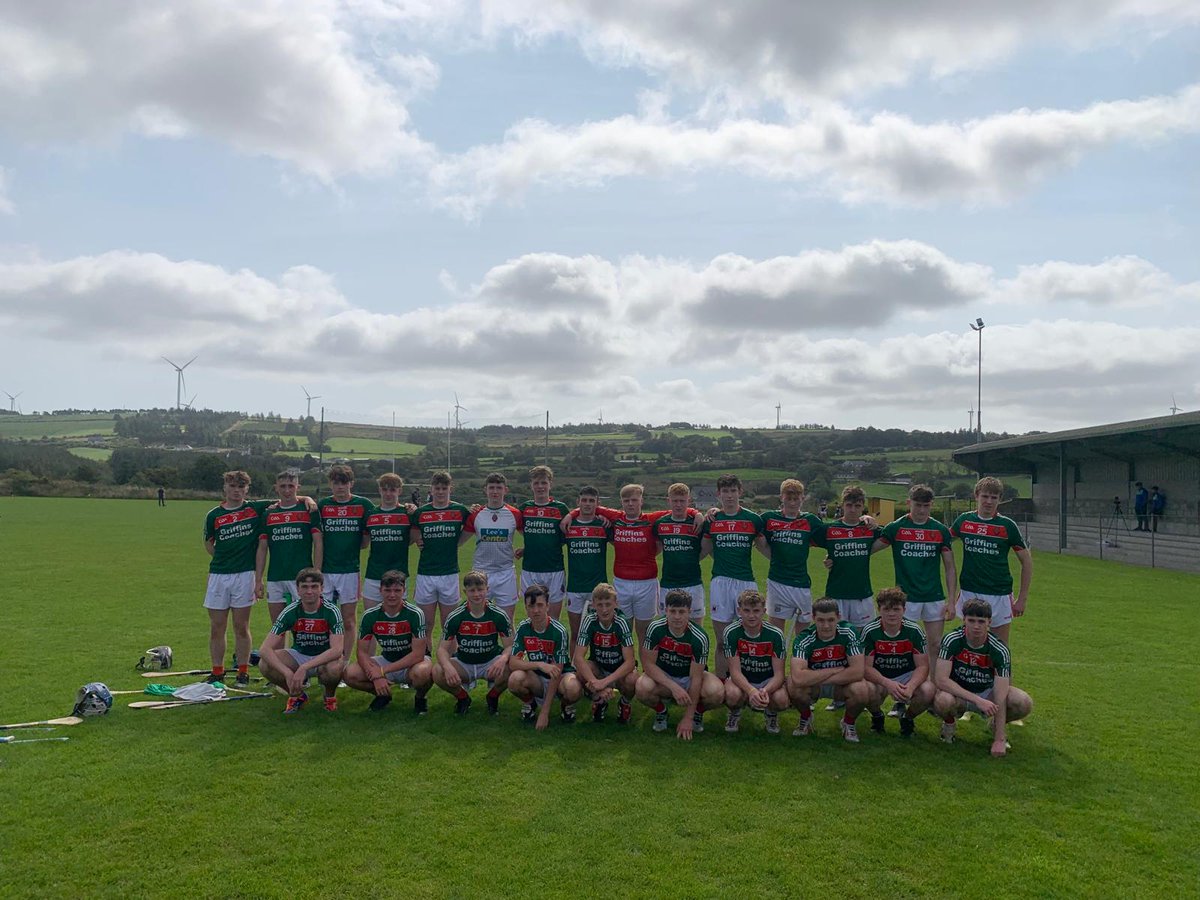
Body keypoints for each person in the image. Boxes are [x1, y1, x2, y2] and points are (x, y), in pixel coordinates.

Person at [582, 484, 701, 645]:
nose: (630, 504)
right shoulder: (617, 518)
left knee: (644, 632)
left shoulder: (651, 519)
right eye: (626, 500)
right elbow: (592, 508)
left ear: (641, 501)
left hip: (647, 584)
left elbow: (678, 510)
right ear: (621, 502)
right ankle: (626, 667)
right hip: (621, 583)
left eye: (634, 500)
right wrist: (571, 515)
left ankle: (646, 669)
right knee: (622, 629)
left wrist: (696, 513)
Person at [876, 483, 957, 683]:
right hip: (905, 599)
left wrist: (952, 601)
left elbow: (950, 567)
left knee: (935, 645)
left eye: (926, 506)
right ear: (908, 502)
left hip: (933, 597)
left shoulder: (940, 531)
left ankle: (932, 691)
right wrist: (836, 556)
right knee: (905, 646)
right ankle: (903, 693)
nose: (921, 510)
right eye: (917, 505)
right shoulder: (895, 528)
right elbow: (866, 549)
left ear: (931, 505)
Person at [933, 598, 1033, 757]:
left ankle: (996, 727)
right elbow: (941, 680)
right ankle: (949, 723)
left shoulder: (999, 649)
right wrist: (977, 700)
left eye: (981, 621)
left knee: (1022, 702)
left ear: (989, 622)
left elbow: (1001, 693)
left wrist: (1000, 739)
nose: (976, 626)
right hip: (959, 693)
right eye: (971, 620)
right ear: (964, 619)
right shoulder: (952, 639)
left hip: (988, 694)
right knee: (943, 700)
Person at [202, 470, 273, 686]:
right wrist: (226, 558)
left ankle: (243, 671)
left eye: (241, 487)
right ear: (225, 488)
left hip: (244, 576)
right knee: (217, 626)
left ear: (247, 489)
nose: (236, 491)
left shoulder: (254, 508)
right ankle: (217, 671)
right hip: (218, 576)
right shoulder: (214, 515)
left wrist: (307, 498)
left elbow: (288, 499)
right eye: (232, 486)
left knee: (241, 626)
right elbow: (209, 544)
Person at [950, 476, 1032, 645]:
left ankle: (999, 673)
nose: (989, 501)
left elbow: (1026, 561)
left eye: (994, 497)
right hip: (970, 591)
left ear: (1000, 500)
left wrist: (1022, 598)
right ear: (976, 496)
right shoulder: (964, 521)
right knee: (969, 644)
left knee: (999, 646)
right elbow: (941, 541)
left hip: (999, 592)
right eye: (985, 496)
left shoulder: (1007, 526)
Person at [702, 474, 767, 680]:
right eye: (725, 491)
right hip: (720, 582)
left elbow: (767, 549)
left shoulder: (753, 519)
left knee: (748, 639)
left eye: (733, 491)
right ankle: (720, 685)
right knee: (722, 641)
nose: (729, 496)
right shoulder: (712, 520)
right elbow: (703, 552)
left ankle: (749, 684)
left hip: (745, 583)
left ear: (740, 492)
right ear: (718, 494)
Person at [635, 589, 724, 740]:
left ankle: (696, 713)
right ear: (666, 610)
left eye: (681, 611)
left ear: (689, 612)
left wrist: (687, 718)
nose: (677, 617)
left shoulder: (699, 637)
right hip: (664, 676)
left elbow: (696, 678)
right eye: (673, 611)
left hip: (689, 677)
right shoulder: (655, 628)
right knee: (642, 688)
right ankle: (662, 711)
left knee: (716, 693)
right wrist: (673, 687)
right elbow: (648, 664)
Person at [257, 568, 345, 713]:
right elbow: (264, 649)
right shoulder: (290, 611)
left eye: (314, 587)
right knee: (265, 664)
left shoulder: (331, 611)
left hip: (324, 657)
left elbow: (336, 650)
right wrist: (287, 672)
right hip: (299, 655)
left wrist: (304, 668)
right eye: (304, 587)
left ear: (322, 589)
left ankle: (329, 697)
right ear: (297, 590)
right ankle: (297, 695)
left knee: (334, 667)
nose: (309, 591)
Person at [343, 570, 432, 713]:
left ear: (404, 591)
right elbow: (361, 652)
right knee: (350, 674)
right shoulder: (370, 615)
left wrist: (382, 671)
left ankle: (420, 698)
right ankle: (383, 695)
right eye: (388, 590)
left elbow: (418, 654)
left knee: (422, 673)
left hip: (412, 662)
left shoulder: (415, 613)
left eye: (397, 590)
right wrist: (376, 675)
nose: (392, 595)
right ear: (380, 590)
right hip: (387, 658)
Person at [787, 598, 870, 742]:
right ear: (813, 618)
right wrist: (832, 671)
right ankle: (806, 718)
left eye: (831, 620)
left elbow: (857, 671)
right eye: (820, 620)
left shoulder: (849, 632)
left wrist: (818, 677)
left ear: (838, 617)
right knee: (793, 686)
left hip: (839, 684)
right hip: (816, 685)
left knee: (861, 690)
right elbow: (798, 678)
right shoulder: (804, 638)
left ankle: (848, 722)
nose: (826, 625)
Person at [432, 571, 513, 715]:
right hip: (465, 663)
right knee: (438, 671)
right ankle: (463, 698)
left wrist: (502, 660)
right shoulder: (456, 616)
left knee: (513, 666)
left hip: (490, 662)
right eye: (472, 590)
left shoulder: (499, 615)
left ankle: (493, 696)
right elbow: (442, 650)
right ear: (465, 592)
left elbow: (510, 646)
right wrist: (448, 667)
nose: (476, 594)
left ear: (487, 590)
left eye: (480, 589)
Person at [317, 465, 373, 662]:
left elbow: (367, 539)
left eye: (344, 483)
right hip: (325, 572)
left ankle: (344, 663)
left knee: (348, 620)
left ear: (351, 484)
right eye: (335, 483)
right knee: (324, 620)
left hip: (349, 571)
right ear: (330, 484)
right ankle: (325, 662)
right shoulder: (322, 505)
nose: (340, 487)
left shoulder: (363, 505)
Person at [860, 587, 934, 736]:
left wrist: (911, 686)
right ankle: (877, 715)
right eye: (886, 609)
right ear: (878, 609)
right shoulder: (870, 631)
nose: (891, 613)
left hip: (906, 674)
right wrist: (887, 683)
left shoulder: (914, 631)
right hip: (879, 675)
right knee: (864, 690)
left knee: (928, 691)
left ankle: (907, 718)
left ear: (904, 609)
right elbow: (866, 668)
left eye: (896, 609)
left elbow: (923, 666)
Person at [256, 469, 323, 626]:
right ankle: (280, 652)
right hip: (275, 577)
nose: (287, 490)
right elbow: (262, 548)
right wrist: (258, 579)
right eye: (283, 486)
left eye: (291, 486)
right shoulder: (268, 514)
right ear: (276, 488)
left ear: (297, 487)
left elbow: (318, 543)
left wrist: (317, 573)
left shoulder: (309, 511)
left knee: (304, 627)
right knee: (278, 627)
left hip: (302, 578)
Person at [760, 478, 825, 640]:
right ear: (782, 497)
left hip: (801, 584)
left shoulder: (810, 521)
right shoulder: (769, 518)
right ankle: (777, 666)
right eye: (789, 498)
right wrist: (712, 512)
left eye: (796, 499)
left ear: (802, 498)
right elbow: (748, 525)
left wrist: (866, 519)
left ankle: (799, 665)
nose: (793, 503)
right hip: (777, 582)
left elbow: (832, 539)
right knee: (775, 636)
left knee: (803, 637)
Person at [410, 471, 472, 642]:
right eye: (437, 488)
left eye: (444, 488)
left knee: (449, 624)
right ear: (431, 489)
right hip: (426, 574)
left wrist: (458, 542)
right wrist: (417, 540)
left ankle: (449, 662)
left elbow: (472, 525)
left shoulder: (459, 510)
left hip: (449, 573)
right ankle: (427, 662)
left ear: (450, 489)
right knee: (426, 624)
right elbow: (413, 531)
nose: (440, 491)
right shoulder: (421, 512)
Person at [508, 584, 580, 729]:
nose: (536, 610)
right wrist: (539, 665)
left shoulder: (558, 631)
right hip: (538, 678)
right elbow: (513, 663)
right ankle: (530, 704)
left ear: (548, 606)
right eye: (531, 606)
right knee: (514, 680)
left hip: (560, 678)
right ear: (526, 608)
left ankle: (565, 705)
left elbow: (556, 672)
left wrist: (545, 713)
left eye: (540, 605)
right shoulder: (523, 628)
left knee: (573, 689)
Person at [816, 485, 882, 634]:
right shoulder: (830, 529)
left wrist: (870, 519)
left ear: (862, 507)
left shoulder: (870, 529)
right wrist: (828, 558)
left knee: (863, 639)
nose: (853, 509)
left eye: (857, 506)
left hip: (862, 595)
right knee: (836, 639)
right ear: (842, 505)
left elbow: (890, 537)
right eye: (849, 505)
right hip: (836, 594)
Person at [722, 590, 788, 735]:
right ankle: (735, 712)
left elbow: (779, 675)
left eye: (756, 611)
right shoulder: (731, 632)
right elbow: (735, 671)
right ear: (739, 611)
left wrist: (765, 691)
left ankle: (771, 713)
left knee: (781, 700)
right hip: (742, 678)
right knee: (732, 695)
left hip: (767, 680)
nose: (751, 616)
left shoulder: (776, 634)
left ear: (764, 611)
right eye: (746, 610)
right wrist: (751, 691)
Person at [573, 583, 637, 724]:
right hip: (599, 667)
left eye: (608, 604)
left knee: (632, 679)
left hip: (619, 670)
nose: (604, 609)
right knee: (581, 671)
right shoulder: (590, 620)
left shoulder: (621, 622)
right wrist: (596, 684)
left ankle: (625, 703)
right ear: (594, 605)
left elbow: (630, 662)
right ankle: (599, 700)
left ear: (616, 604)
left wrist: (604, 683)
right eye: (600, 604)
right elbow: (578, 657)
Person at [464, 472, 523, 617]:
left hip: (506, 573)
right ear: (485, 489)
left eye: (499, 487)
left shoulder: (515, 514)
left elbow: (532, 537)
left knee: (507, 623)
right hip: (481, 573)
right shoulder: (476, 513)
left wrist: (526, 548)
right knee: (478, 619)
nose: (495, 491)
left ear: (505, 490)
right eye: (491, 487)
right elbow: (458, 541)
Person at [517, 465, 571, 620]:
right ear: (531, 485)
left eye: (544, 483)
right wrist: (529, 547)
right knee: (533, 616)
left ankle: (553, 644)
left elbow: (564, 535)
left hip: (554, 569)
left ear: (550, 484)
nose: (540, 486)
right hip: (530, 569)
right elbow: (522, 530)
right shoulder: (525, 508)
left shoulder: (560, 508)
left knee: (553, 619)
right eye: (536, 483)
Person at [561, 486, 612, 644]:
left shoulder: (603, 525)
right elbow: (549, 545)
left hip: (598, 588)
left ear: (598, 503)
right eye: (584, 500)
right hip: (575, 587)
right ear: (578, 502)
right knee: (576, 633)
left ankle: (597, 667)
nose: (588, 504)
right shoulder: (568, 525)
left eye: (591, 501)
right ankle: (574, 668)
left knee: (600, 633)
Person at [654, 483, 709, 626]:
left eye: (682, 501)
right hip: (668, 584)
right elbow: (657, 547)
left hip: (693, 583)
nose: (678, 505)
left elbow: (705, 549)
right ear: (668, 501)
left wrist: (692, 560)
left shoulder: (698, 523)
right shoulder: (660, 524)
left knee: (696, 629)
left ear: (689, 501)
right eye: (675, 501)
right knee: (665, 629)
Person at [362, 473, 414, 610]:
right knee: (370, 619)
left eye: (392, 490)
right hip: (374, 575)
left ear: (400, 491)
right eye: (384, 489)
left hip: (399, 576)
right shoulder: (370, 514)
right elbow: (364, 543)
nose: (388, 494)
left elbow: (414, 539)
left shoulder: (408, 513)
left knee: (396, 621)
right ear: (379, 490)